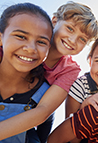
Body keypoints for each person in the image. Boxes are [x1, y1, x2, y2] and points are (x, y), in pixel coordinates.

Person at [0, 1, 98, 141]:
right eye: (70, 29)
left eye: (82, 39)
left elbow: (43, 111)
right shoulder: (16, 47)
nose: (72, 40)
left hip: (35, 113)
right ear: (54, 21)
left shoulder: (69, 69)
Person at [0, 3, 53, 143]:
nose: (31, 49)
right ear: (1, 38)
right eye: (21, 36)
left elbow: (45, 127)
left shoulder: (45, 93)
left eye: (41, 42)